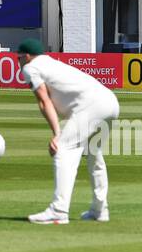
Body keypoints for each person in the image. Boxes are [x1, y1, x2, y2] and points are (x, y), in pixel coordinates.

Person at [18, 39, 120, 225]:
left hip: (91, 105)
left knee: (63, 150)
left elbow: (44, 101)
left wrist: (57, 134)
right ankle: (100, 209)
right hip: (110, 101)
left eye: (19, 58)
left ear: (25, 57)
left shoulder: (30, 68)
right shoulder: (51, 63)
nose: (18, 63)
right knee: (93, 155)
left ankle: (59, 210)